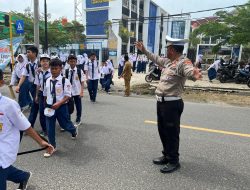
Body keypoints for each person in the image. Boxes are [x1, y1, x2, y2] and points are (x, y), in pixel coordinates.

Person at [135, 36, 202, 173]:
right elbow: (155, 58)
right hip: (161, 104)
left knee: (172, 133)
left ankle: (174, 161)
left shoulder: (183, 62)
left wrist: (194, 74)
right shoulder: (168, 62)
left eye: (168, 48)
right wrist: (144, 50)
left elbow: (189, 71)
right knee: (163, 131)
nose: (166, 51)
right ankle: (166, 155)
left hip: (172, 104)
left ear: (172, 49)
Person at [0, 69, 54, 190]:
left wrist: (41, 142)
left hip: (3, 150)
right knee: (4, 170)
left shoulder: (9, 105)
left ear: (1, 82)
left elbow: (25, 126)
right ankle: (24, 176)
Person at [43, 59, 78, 157]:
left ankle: (73, 130)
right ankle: (52, 147)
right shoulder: (47, 80)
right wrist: (45, 104)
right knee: (50, 128)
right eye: (52, 68)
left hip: (61, 107)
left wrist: (59, 103)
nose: (53, 70)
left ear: (60, 69)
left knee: (65, 125)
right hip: (50, 107)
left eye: (56, 68)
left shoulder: (64, 81)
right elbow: (45, 93)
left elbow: (67, 96)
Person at [16, 46, 40, 129]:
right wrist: (18, 86)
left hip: (39, 87)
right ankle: (30, 126)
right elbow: (23, 76)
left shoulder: (40, 64)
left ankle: (30, 126)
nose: (27, 54)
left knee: (37, 106)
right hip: (32, 86)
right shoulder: (28, 65)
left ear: (34, 53)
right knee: (35, 106)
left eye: (29, 52)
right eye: (27, 52)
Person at [64, 54, 85, 127]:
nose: (72, 63)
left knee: (78, 106)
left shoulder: (79, 71)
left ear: (76, 62)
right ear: (68, 62)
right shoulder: (66, 71)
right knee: (68, 107)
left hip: (77, 92)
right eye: (71, 61)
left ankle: (78, 118)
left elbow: (82, 82)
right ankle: (68, 120)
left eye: (74, 61)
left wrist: (81, 92)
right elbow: (64, 81)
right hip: (69, 92)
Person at [34, 54, 51, 136]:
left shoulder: (53, 72)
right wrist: (37, 95)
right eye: (43, 61)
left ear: (49, 62)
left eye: (47, 61)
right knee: (42, 112)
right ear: (40, 62)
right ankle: (45, 130)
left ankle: (50, 128)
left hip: (49, 94)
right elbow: (38, 84)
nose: (45, 62)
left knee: (50, 111)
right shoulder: (38, 73)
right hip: (41, 94)